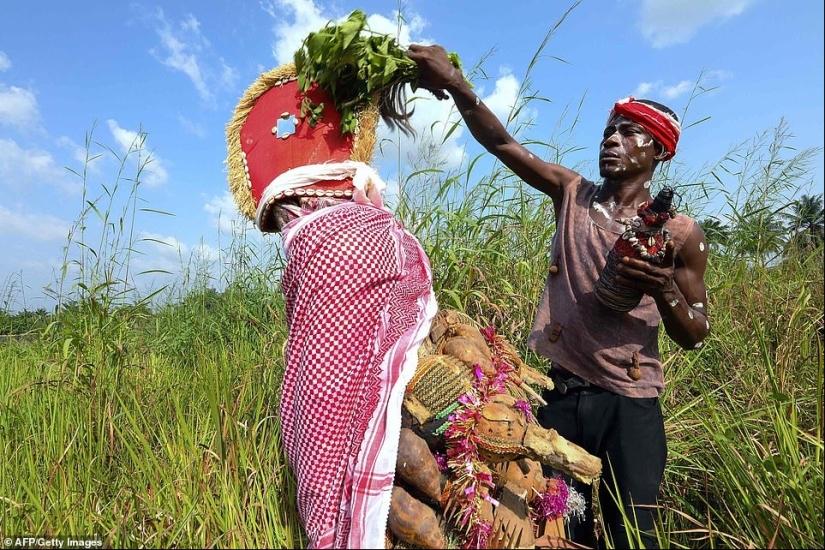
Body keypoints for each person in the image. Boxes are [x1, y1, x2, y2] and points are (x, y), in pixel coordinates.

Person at [406, 44, 711, 549]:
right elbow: (503, 145)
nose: (612, 140)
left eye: (628, 132)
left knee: (631, 534)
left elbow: (696, 331)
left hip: (628, 406)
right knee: (549, 528)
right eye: (608, 131)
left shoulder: (678, 234)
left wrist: (662, 290)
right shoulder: (573, 194)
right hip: (558, 396)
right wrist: (458, 86)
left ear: (658, 150)